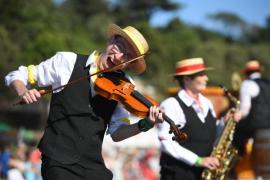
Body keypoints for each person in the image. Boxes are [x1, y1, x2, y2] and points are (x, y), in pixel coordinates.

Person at [5, 24, 164, 180]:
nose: (118, 58)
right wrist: (23, 91)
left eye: (127, 57)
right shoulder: (67, 62)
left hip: (92, 165)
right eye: (120, 47)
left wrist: (146, 124)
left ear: (129, 64)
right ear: (111, 41)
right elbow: (18, 75)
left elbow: (116, 134)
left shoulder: (125, 85)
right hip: (58, 161)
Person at [157, 57, 241, 180]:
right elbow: (166, 142)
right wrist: (198, 160)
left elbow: (210, 135)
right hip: (179, 174)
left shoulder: (207, 103)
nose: (206, 78)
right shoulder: (171, 104)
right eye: (201, 75)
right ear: (186, 79)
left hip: (201, 174)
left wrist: (224, 122)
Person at [233, 60, 270, 154]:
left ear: (246, 73)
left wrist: (237, 115)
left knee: (235, 133)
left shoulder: (247, 84)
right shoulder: (268, 83)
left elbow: (245, 110)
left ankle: (237, 162)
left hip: (255, 126)